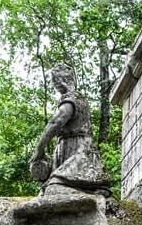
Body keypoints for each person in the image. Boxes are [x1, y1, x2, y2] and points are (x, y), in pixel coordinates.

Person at [28, 64, 111, 196]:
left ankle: (91, 195)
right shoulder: (76, 98)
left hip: (79, 154)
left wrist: (39, 149)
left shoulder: (73, 98)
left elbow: (56, 121)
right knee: (47, 189)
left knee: (53, 190)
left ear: (61, 81)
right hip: (69, 153)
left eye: (55, 81)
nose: (54, 84)